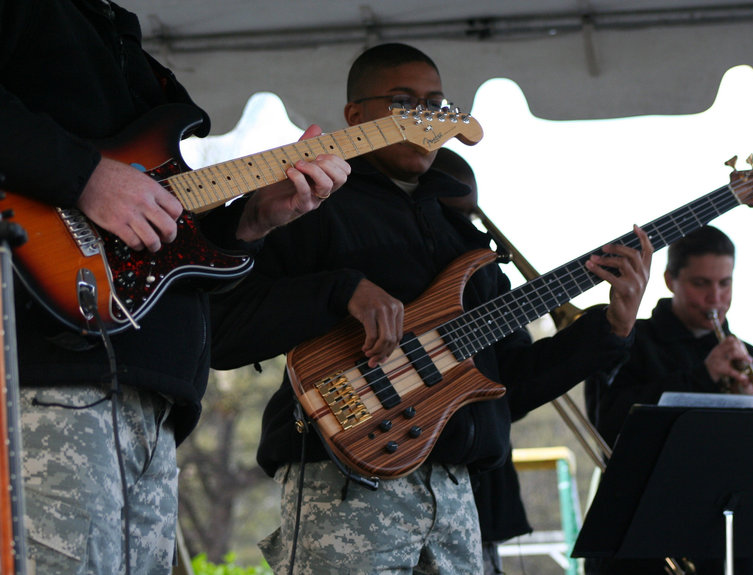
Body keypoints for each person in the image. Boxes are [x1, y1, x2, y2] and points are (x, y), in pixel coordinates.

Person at [210, 42, 653, 574]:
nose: (426, 117)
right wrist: (342, 288)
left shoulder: (464, 241)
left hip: (456, 492)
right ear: (356, 116)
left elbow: (507, 383)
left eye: (436, 103)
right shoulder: (311, 204)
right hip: (347, 480)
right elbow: (226, 329)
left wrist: (612, 327)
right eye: (403, 101)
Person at [0, 2, 349, 574]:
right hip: (47, 368)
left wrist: (256, 217)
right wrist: (84, 176)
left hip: (151, 392)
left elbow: (170, 232)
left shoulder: (137, 58)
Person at [583, 224, 753, 575]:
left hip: (728, 542)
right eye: (701, 284)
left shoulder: (751, 357)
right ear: (671, 280)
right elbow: (606, 426)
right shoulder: (628, 342)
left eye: (725, 283)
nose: (716, 298)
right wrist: (701, 378)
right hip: (642, 543)